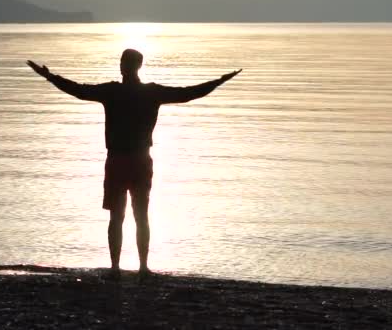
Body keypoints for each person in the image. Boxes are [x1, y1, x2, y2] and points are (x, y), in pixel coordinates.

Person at [27, 49, 241, 279]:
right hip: (129, 160)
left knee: (131, 216)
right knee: (128, 216)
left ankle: (132, 267)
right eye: (121, 61)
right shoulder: (138, 92)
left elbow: (187, 94)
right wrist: (50, 77)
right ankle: (128, 267)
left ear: (136, 65)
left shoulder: (123, 91)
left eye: (125, 62)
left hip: (128, 160)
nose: (122, 66)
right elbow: (79, 90)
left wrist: (219, 81)